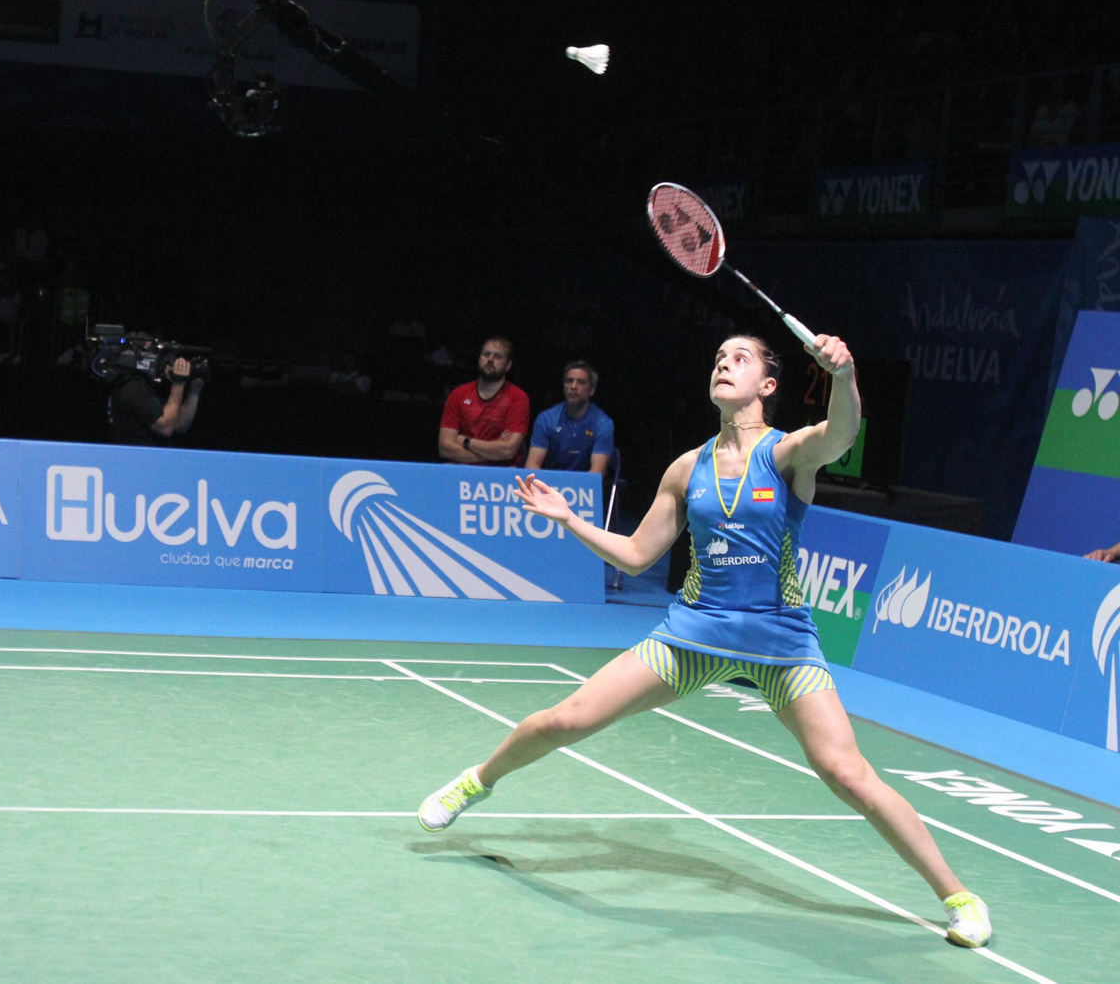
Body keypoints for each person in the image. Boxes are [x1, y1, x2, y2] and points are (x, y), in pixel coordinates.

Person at [417, 332, 993, 949]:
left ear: (768, 387)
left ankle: (959, 897)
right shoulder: (686, 469)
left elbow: (843, 434)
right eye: (719, 357)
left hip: (782, 646)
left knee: (847, 773)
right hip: (693, 635)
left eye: (740, 358)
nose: (724, 364)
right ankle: (478, 780)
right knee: (566, 720)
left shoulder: (788, 453)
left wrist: (845, 376)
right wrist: (570, 520)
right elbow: (638, 557)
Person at [438, 337, 530, 466]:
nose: (490, 359)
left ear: (508, 365)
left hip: (502, 470)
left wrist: (465, 441)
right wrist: (494, 451)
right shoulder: (458, 394)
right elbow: (445, 448)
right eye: (486, 354)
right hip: (461, 467)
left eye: (497, 356)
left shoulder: (518, 397)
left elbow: (508, 450)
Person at [107, 341, 203, 446]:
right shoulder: (133, 387)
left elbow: (180, 425)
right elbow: (165, 428)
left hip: (153, 458)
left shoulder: (147, 386)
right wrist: (178, 384)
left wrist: (194, 392)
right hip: (138, 458)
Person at [525, 360, 614, 473]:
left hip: (584, 486)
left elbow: (596, 474)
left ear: (591, 390)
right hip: (550, 484)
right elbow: (532, 465)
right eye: (569, 381)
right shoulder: (546, 419)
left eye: (581, 382)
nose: (573, 386)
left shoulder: (603, 423)